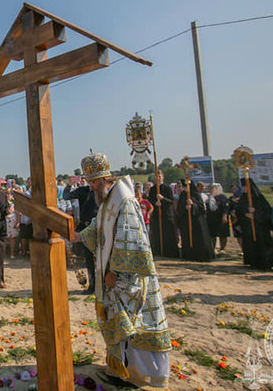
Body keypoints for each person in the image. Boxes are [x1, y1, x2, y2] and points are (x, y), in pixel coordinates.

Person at [74, 153, 170, 388]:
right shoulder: (109, 198)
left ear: (105, 178)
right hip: (113, 277)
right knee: (119, 323)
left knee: (132, 325)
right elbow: (99, 226)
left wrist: (115, 272)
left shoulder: (124, 199)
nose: (91, 186)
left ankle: (136, 375)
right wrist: (78, 236)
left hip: (126, 279)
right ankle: (120, 370)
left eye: (94, 182)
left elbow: (131, 240)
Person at [63, 176, 99, 294]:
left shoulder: (101, 191)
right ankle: (92, 285)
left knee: (101, 258)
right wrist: (69, 184)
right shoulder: (82, 190)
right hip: (85, 227)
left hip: (99, 227)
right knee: (88, 258)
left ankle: (101, 286)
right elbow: (66, 196)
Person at [236, 178, 273, 270]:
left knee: (262, 244)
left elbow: (267, 211)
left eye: (245, 186)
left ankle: (266, 263)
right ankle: (253, 262)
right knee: (250, 244)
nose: (244, 189)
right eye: (242, 187)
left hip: (260, 227)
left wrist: (255, 214)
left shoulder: (258, 197)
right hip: (248, 227)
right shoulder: (243, 198)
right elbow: (238, 210)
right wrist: (245, 214)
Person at [177, 180, 214, 262]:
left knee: (198, 238)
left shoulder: (195, 194)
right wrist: (185, 207)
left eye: (186, 187)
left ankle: (200, 255)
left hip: (197, 221)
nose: (185, 189)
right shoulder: (183, 195)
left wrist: (193, 205)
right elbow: (179, 207)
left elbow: (201, 207)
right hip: (186, 220)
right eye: (184, 187)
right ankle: (188, 254)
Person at [148, 171, 180, 258]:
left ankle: (169, 252)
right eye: (156, 176)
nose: (158, 178)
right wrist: (155, 203)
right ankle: (157, 251)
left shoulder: (167, 188)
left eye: (159, 176)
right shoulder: (153, 189)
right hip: (157, 215)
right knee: (157, 234)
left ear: (162, 177)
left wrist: (163, 199)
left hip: (166, 215)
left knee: (168, 234)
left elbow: (170, 201)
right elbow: (150, 200)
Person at [206, 183, 230, 254]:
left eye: (212, 188)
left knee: (222, 234)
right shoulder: (209, 198)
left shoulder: (222, 198)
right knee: (212, 234)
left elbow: (226, 208)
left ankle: (222, 249)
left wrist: (225, 216)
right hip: (211, 219)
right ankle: (213, 248)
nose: (210, 190)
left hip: (221, 219)